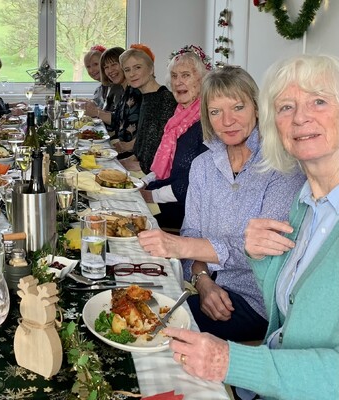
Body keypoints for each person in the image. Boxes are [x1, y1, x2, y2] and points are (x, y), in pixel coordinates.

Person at [165, 54, 339, 400]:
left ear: (257, 113)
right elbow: (285, 315)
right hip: (266, 375)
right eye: (286, 107)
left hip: (260, 349)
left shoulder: (284, 174)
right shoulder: (307, 205)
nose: (301, 117)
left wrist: (233, 362)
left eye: (318, 101)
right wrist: (203, 279)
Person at [138, 66, 305, 342]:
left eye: (238, 107)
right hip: (207, 284)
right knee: (140, 304)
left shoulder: (283, 167)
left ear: (256, 108)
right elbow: (191, 231)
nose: (228, 121)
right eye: (216, 112)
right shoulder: (203, 165)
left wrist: (180, 246)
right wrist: (203, 282)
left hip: (257, 302)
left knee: (155, 330)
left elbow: (264, 251)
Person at [139, 45, 211, 230]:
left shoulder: (207, 123)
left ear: (202, 80)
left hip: (183, 214)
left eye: (186, 75)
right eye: (174, 76)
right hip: (165, 199)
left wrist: (150, 195)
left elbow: (192, 185)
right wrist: (144, 182)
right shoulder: (178, 117)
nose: (178, 82)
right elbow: (166, 164)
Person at [118, 44, 177, 172]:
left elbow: (160, 147)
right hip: (141, 166)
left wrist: (131, 166)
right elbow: (142, 144)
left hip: (152, 173)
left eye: (137, 68)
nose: (132, 74)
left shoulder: (165, 99)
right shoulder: (146, 97)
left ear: (151, 70)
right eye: (127, 70)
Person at [85, 46, 125, 126]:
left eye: (96, 64)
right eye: (88, 67)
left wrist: (95, 111)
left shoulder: (119, 87)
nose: (91, 70)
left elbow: (118, 121)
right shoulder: (99, 89)